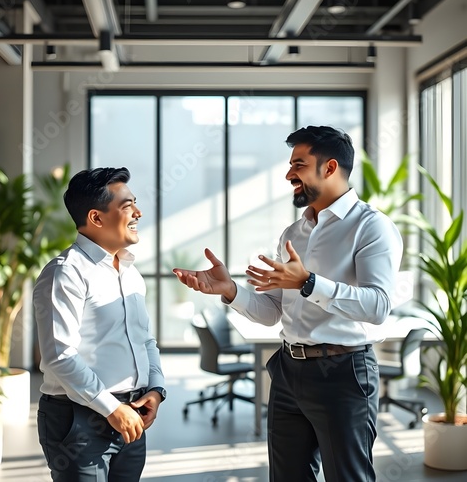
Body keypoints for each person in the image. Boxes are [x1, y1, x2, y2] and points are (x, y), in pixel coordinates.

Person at [173, 126, 403, 482]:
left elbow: (378, 306)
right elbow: (272, 312)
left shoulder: (371, 227)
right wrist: (230, 290)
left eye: (298, 164)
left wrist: (308, 282)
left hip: (343, 373)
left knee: (348, 477)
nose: (288, 174)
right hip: (288, 370)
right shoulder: (294, 234)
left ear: (329, 168)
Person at [33, 167, 166, 482]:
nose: (138, 212)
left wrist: (156, 389)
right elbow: (60, 355)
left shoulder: (129, 271)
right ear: (96, 217)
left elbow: (146, 340)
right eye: (127, 206)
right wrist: (111, 408)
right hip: (79, 416)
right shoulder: (65, 273)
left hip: (131, 410)